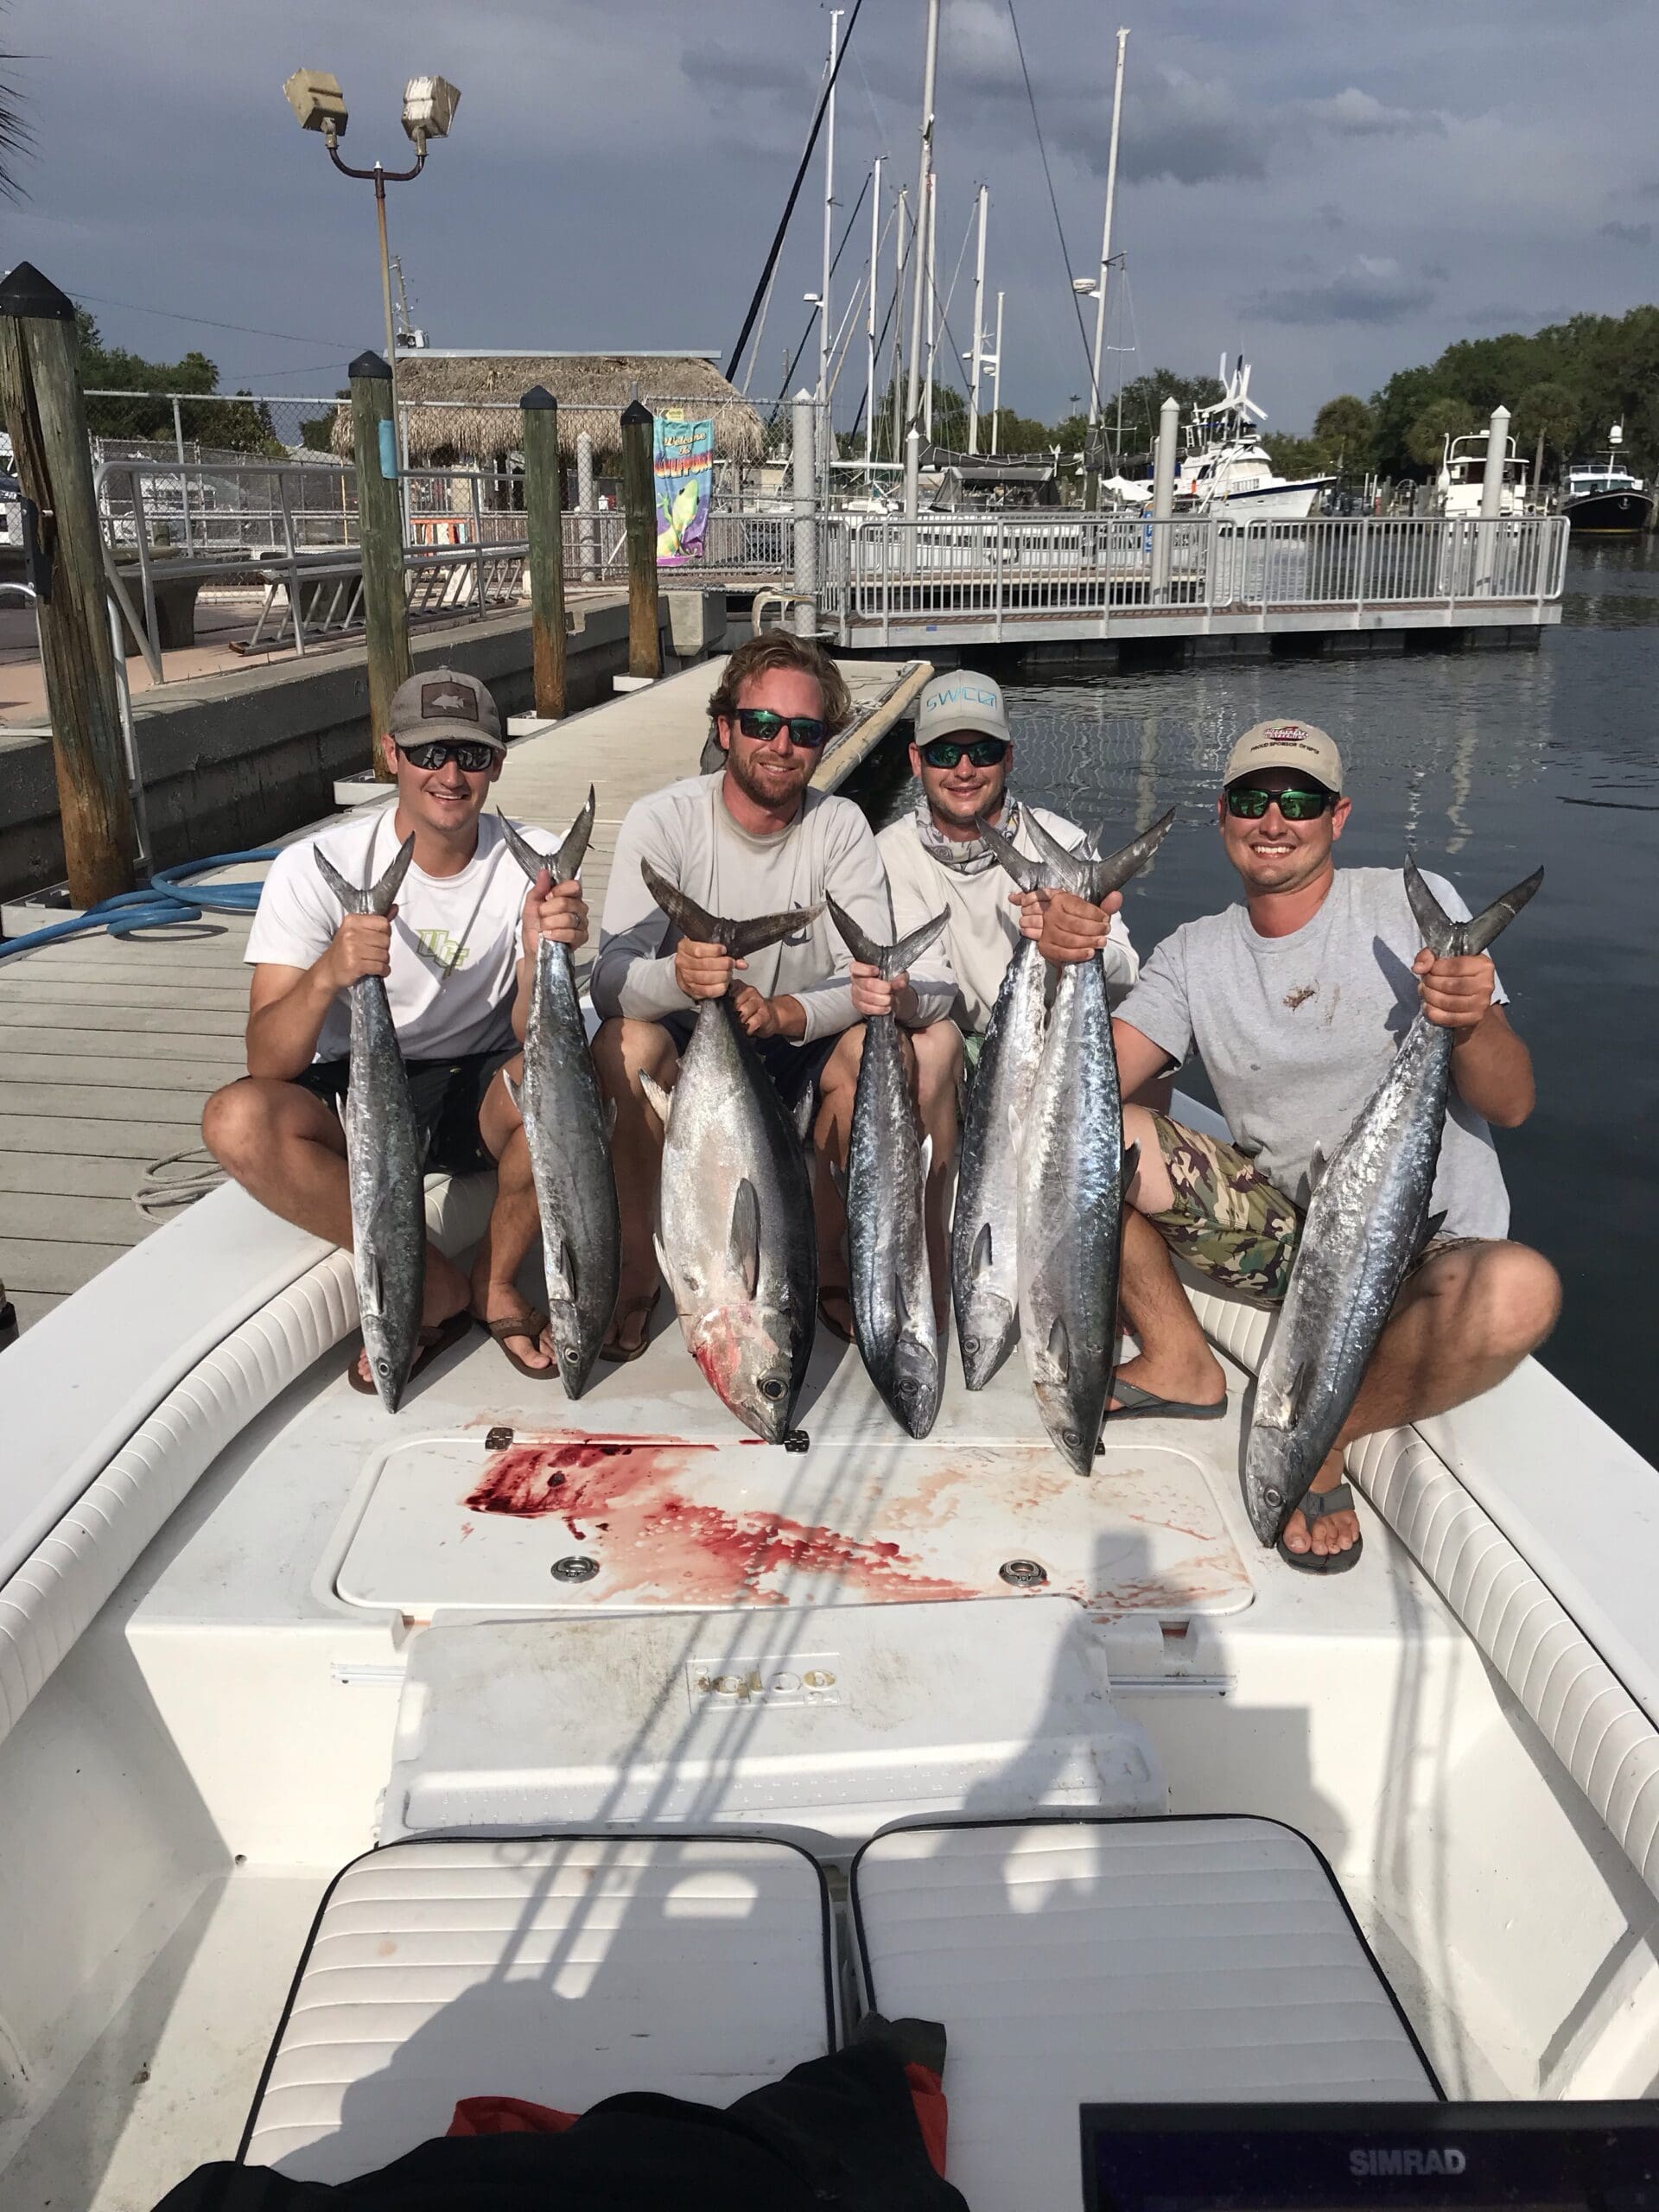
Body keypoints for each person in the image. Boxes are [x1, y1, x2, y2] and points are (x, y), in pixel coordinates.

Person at [1033, 716, 1560, 1570]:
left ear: (1337, 817)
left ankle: (1323, 1431)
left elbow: (1514, 1102)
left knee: (1522, 1294)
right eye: (1252, 798)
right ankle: (1178, 1358)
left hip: (1425, 1247)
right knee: (1100, 1138)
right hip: (1289, 1232)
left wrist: (1466, 1020)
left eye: (1299, 799)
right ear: (1223, 815)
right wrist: (1061, 962)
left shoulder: (1408, 908)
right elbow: (1074, 1097)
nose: (1274, 818)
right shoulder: (1194, 954)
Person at [202, 668, 590, 1388]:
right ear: (391, 753)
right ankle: (435, 1285)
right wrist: (328, 972)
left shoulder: (535, 861)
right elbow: (267, 1062)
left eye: (471, 755)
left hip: (479, 1075)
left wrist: (542, 959)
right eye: (429, 751)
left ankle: (497, 1283)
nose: (450, 773)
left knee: (568, 1088)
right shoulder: (313, 868)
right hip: (359, 1083)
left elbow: (527, 1030)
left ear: (497, 764)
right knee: (235, 1119)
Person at [590, 630, 955, 1357]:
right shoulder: (662, 821)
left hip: (799, 1046)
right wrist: (679, 978)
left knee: (876, 1054)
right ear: (724, 728)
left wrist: (785, 1013)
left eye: (804, 730)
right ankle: (636, 1274)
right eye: (761, 724)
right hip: (695, 1045)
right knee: (622, 1045)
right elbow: (608, 980)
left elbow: (870, 984)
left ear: (823, 743)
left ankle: (825, 1266)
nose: (780, 744)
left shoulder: (841, 826)